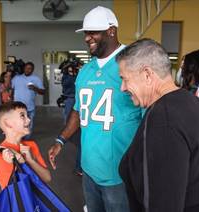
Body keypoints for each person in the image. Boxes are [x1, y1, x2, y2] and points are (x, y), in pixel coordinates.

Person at [117, 38, 199, 212]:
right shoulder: (190, 102)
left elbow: (163, 204)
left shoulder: (163, 121)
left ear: (147, 75)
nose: (122, 87)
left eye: (125, 79)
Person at [48, 6, 142, 211]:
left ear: (111, 31)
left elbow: (150, 118)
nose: (87, 38)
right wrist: (60, 140)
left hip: (119, 174)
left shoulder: (133, 64)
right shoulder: (85, 71)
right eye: (85, 33)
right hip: (89, 169)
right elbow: (79, 111)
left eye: (93, 32)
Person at [0, 101, 51, 189]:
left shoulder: (31, 145)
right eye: (22, 116)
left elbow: (47, 178)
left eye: (27, 116)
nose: (29, 120)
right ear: (8, 123)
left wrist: (30, 161)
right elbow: (17, 192)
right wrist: (18, 165)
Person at [12, 62, 45, 139]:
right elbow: (11, 89)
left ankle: (26, 141)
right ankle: (19, 140)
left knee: (28, 126)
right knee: (18, 124)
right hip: (17, 108)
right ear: (24, 68)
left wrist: (35, 88)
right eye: (26, 68)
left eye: (30, 68)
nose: (28, 70)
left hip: (29, 108)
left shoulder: (36, 79)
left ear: (32, 70)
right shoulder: (17, 78)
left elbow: (43, 92)